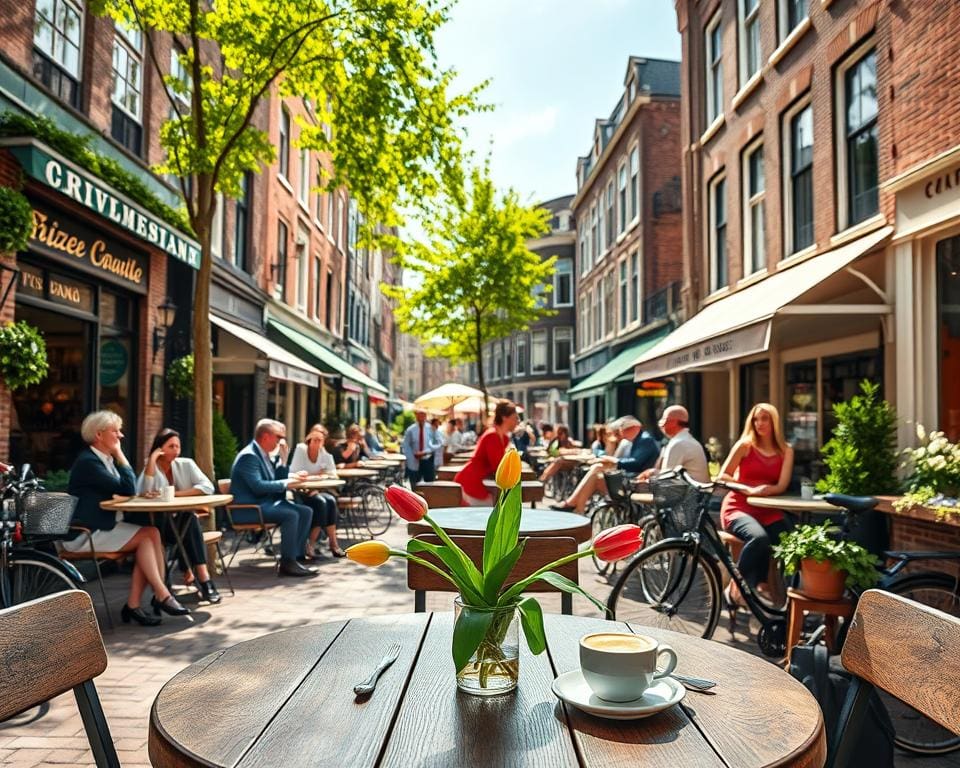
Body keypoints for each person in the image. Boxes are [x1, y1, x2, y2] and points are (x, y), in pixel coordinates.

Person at [65, 410, 188, 626]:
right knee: (147, 536)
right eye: (116, 431)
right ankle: (161, 595)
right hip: (86, 533)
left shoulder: (104, 460)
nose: (121, 436)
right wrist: (121, 455)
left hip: (104, 526)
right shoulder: (89, 462)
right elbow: (128, 487)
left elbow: (124, 491)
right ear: (99, 435)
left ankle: (140, 603)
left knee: (151, 534)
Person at [716, 403, 794, 606]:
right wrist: (750, 490)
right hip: (738, 507)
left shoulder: (786, 450)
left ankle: (787, 597)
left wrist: (768, 490)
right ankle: (737, 587)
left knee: (792, 543)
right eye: (756, 419)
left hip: (768, 511)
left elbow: (782, 485)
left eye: (764, 418)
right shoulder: (745, 445)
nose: (759, 423)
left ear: (774, 422)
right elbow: (723, 476)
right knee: (759, 538)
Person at [135, 428, 222, 604]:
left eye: (178, 446)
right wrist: (151, 459)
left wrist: (177, 495)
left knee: (189, 517)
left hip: (178, 526)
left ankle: (203, 578)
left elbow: (207, 487)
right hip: (157, 527)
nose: (175, 450)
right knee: (184, 519)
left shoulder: (186, 464)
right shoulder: (151, 467)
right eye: (171, 446)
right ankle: (194, 580)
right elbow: (143, 491)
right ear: (160, 448)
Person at [230, 419, 317, 577]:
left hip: (265, 504)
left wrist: (284, 461)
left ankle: (296, 558)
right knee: (291, 514)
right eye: (278, 437)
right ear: (265, 436)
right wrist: (286, 482)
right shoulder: (249, 456)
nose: (281, 441)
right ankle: (287, 563)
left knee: (306, 511)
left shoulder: (262, 454)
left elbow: (274, 482)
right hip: (249, 509)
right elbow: (258, 486)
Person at [551, 416, 658, 514]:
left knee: (596, 474)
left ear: (635, 427)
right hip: (632, 478)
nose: (621, 432)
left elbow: (636, 463)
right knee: (596, 470)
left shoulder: (644, 440)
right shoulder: (635, 440)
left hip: (638, 481)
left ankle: (575, 507)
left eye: (623, 429)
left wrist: (615, 461)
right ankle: (577, 507)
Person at [289, 424, 346, 558]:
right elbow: (293, 472)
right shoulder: (301, 450)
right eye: (314, 439)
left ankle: (333, 544)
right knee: (321, 503)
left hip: (317, 491)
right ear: (309, 438)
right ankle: (311, 545)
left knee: (330, 500)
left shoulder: (324, 454)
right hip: (301, 491)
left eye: (320, 439)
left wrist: (321, 476)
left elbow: (333, 474)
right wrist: (316, 477)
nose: (317, 442)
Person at [454, 401, 520, 505]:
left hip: (479, 482)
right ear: (504, 417)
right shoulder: (492, 436)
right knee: (483, 516)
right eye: (515, 418)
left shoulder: (503, 437)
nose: (518, 421)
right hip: (472, 483)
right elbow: (498, 466)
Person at [638, 405, 710, 483]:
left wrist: (648, 478)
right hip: (695, 491)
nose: (661, 425)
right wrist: (652, 472)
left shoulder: (678, 443)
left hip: (690, 493)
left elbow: (666, 479)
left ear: (673, 422)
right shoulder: (686, 440)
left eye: (664, 419)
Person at [402, 409, 440, 484]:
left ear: (426, 416)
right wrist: (411, 457)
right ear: (416, 416)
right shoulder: (411, 430)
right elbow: (406, 445)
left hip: (428, 460)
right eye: (420, 415)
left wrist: (425, 452)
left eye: (423, 415)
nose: (421, 417)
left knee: (430, 485)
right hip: (414, 460)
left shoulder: (431, 428)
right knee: (415, 485)